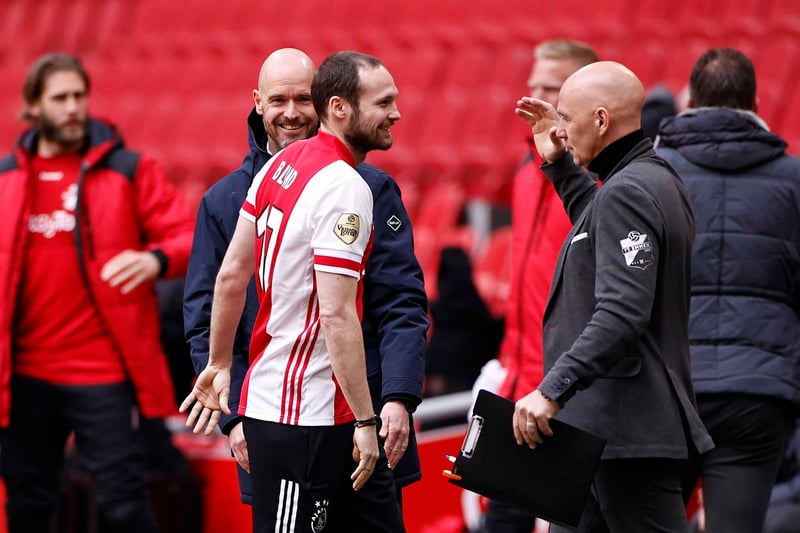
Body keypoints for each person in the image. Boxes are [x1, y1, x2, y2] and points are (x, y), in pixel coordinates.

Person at [183, 47, 427, 506]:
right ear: (257, 103)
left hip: (359, 418)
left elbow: (399, 303)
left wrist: (397, 396)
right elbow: (212, 307)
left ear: (323, 101)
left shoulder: (370, 187)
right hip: (276, 417)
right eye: (278, 101)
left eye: (302, 99)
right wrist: (235, 418)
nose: (291, 114)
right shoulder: (226, 198)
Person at [512, 61, 713, 532]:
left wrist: (552, 389)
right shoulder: (651, 181)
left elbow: (622, 312)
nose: (560, 129)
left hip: (628, 434)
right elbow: (600, 222)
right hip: (611, 432)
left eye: (567, 117)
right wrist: (560, 167)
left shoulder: (629, 190)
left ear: (601, 120)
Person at [0, 52, 194, 532]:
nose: (73, 108)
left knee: (125, 505)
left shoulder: (128, 170)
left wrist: (155, 260)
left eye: (79, 96)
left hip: (101, 372)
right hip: (23, 376)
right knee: (27, 506)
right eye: (60, 98)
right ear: (33, 106)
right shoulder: (5, 178)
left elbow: (190, 236)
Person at [655, 47, 800, 533]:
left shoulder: (651, 175)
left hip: (667, 386)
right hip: (757, 392)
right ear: (756, 104)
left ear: (689, 100)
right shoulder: (794, 180)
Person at [481, 38, 598, 533]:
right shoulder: (527, 175)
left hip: (566, 396)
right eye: (534, 85)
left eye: (551, 88)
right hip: (517, 389)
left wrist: (560, 386)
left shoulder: (601, 184)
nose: (537, 98)